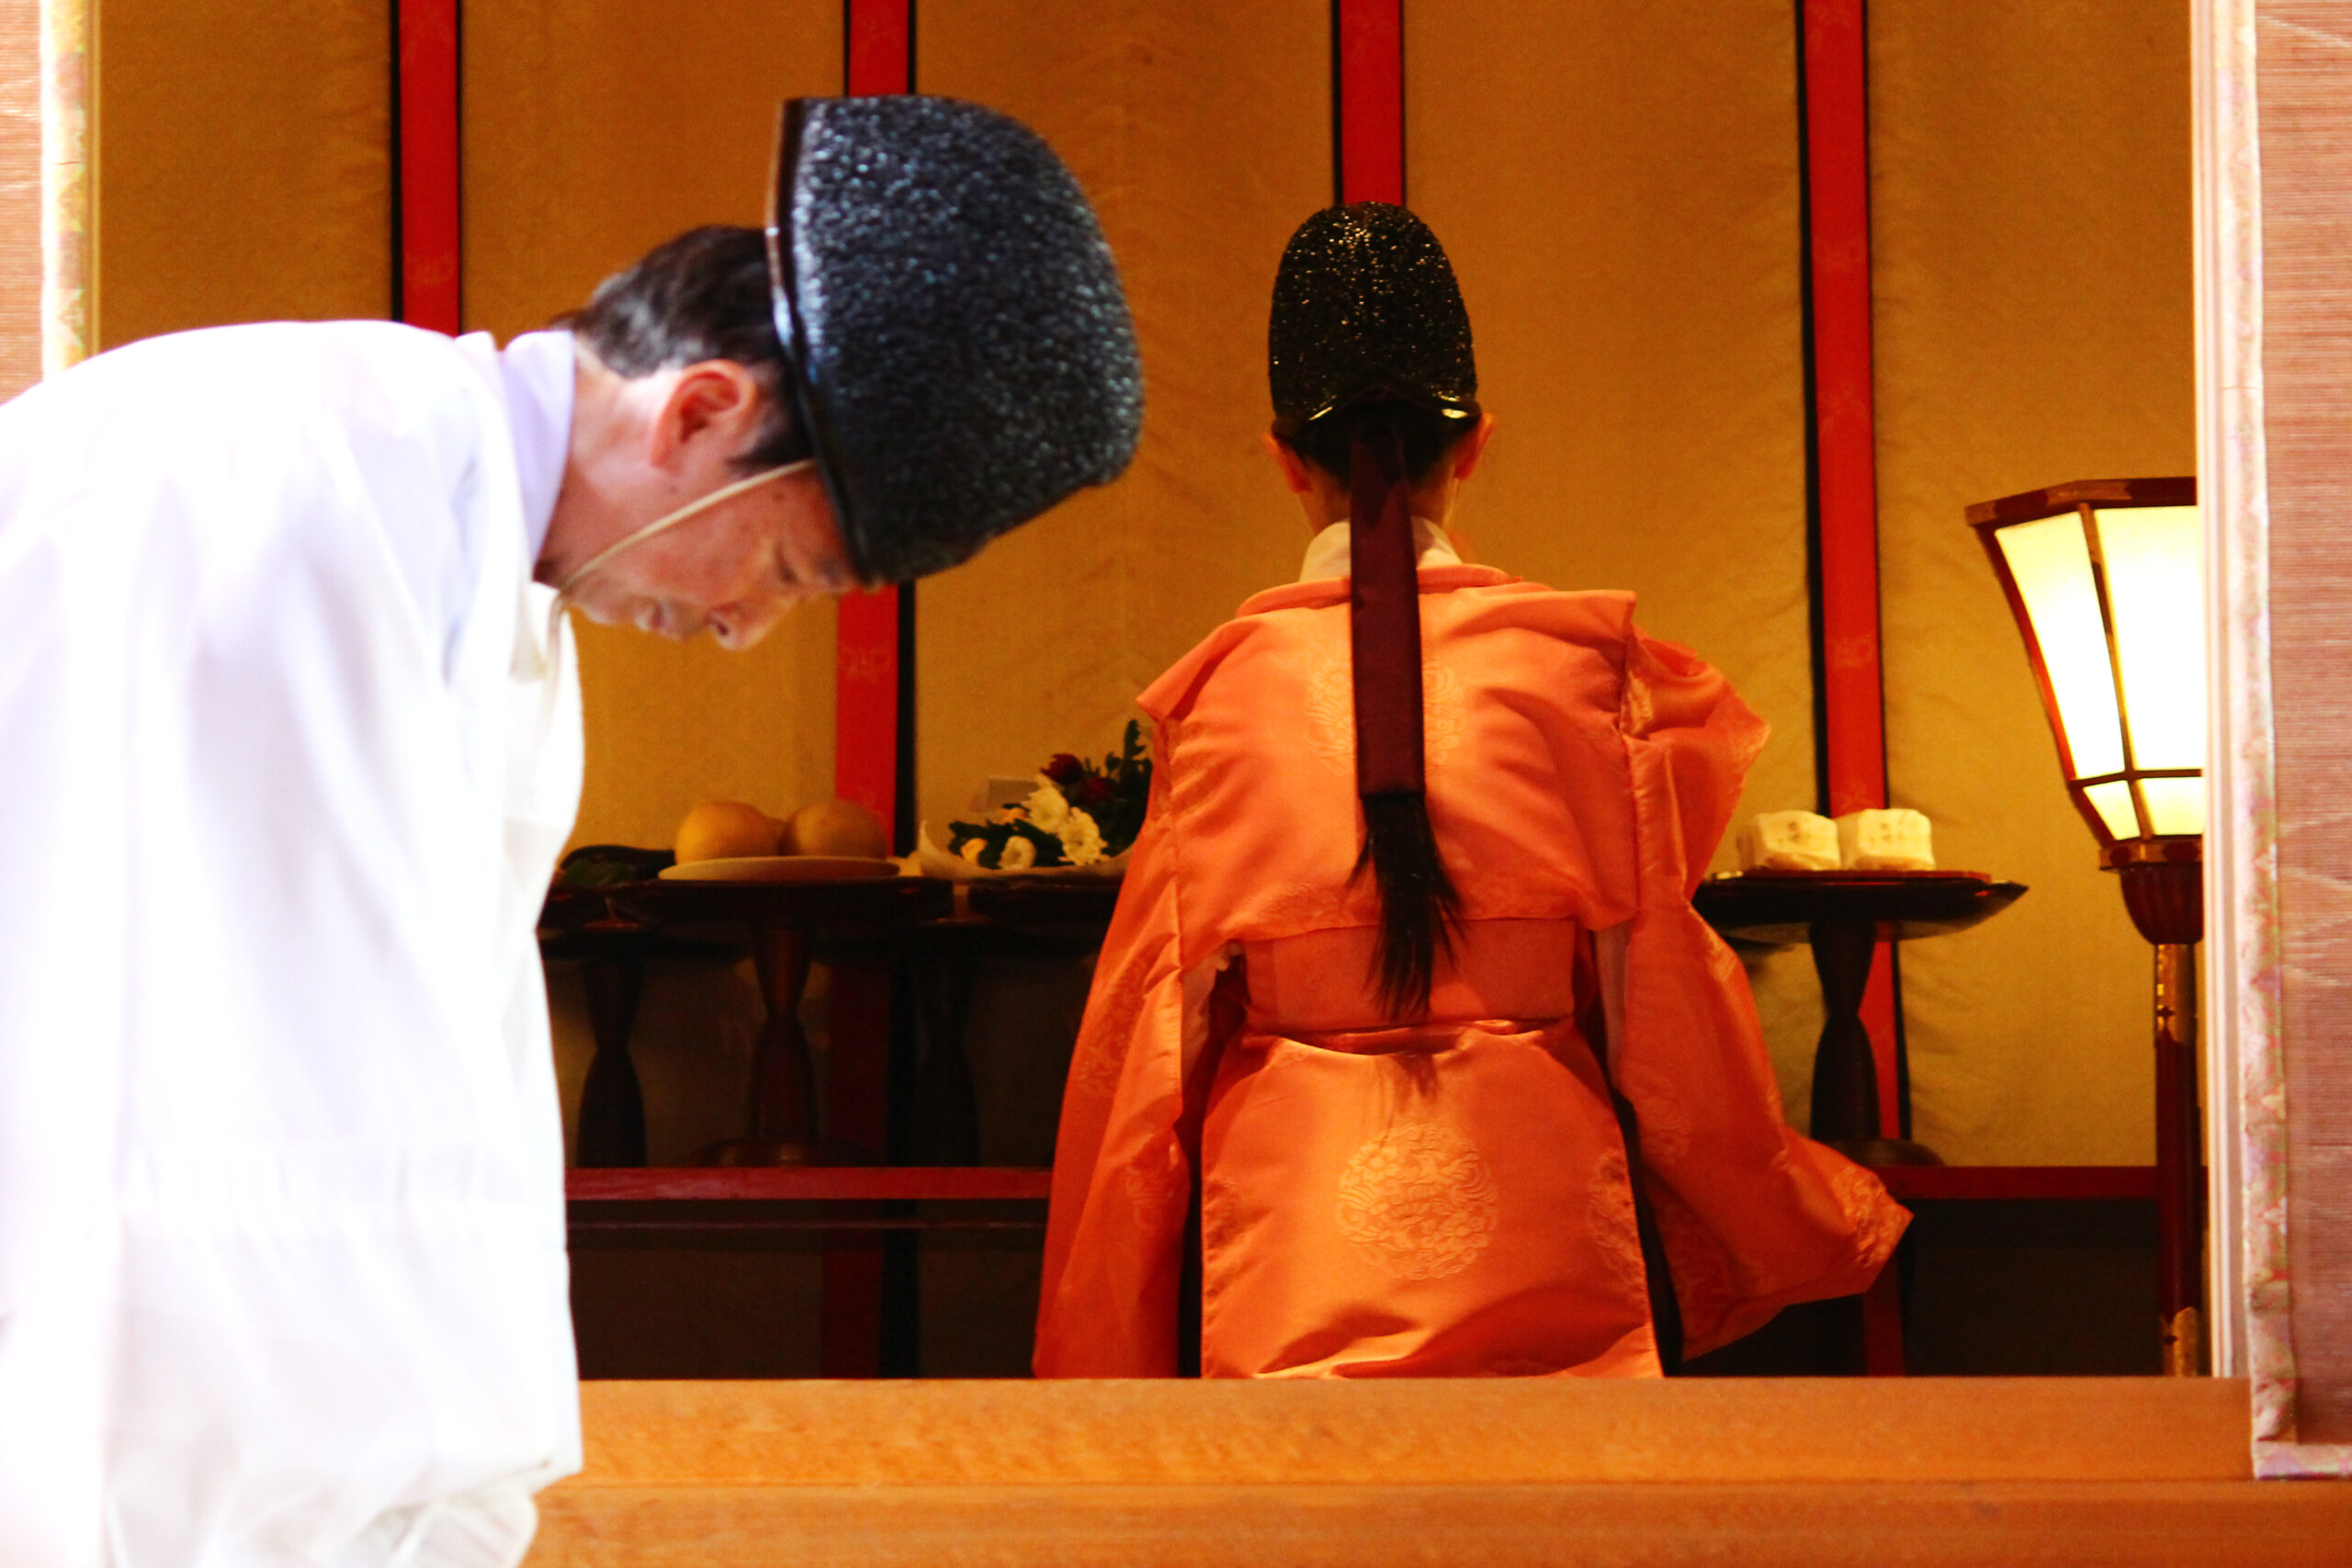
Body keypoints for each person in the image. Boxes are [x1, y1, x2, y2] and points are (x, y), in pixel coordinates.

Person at [0, 96, 1139, 1568]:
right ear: (702, 410)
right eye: (787, 570)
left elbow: (440, 1121)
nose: (740, 627)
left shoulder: (480, 544)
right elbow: (232, 1134)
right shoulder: (301, 496)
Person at [1034, 202, 1902, 1380]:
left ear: (1283, 458)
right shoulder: (1577, 673)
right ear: (1477, 442)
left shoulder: (1224, 697)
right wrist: (1787, 1203)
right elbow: (1661, 1006)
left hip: (1293, 1238)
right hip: (1540, 1204)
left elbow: (1141, 1052)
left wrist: (1104, 1345)